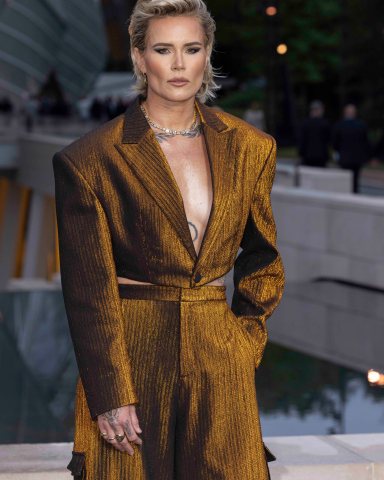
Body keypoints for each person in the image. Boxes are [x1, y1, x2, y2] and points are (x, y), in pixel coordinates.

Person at [52, 1, 285, 478]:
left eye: (191, 48)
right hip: (132, 355)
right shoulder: (90, 160)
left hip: (220, 359)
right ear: (140, 58)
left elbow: (263, 258)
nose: (179, 65)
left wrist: (245, 342)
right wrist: (110, 392)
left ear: (207, 54)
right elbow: (87, 292)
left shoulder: (251, 148)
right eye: (163, 49)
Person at [333, 103, 371, 193]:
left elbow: (335, 143)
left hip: (344, 158)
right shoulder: (361, 125)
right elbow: (366, 142)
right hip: (357, 159)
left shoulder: (339, 125)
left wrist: (337, 152)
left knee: (344, 180)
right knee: (355, 180)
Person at [299, 100, 331, 168]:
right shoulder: (325, 123)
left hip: (307, 155)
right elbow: (328, 140)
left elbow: (302, 140)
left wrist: (301, 153)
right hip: (321, 156)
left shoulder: (305, 123)